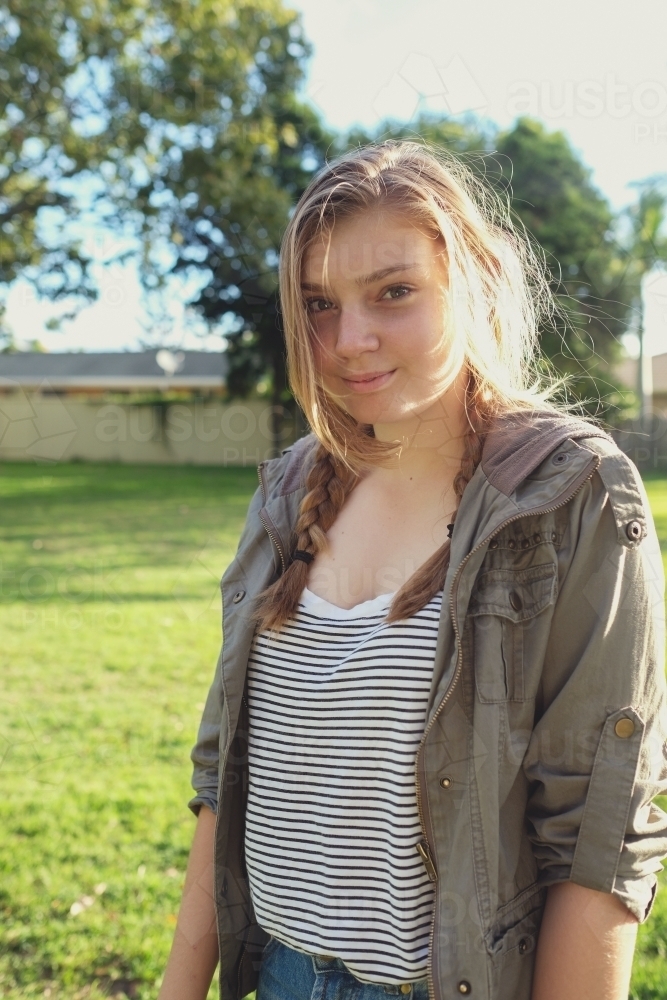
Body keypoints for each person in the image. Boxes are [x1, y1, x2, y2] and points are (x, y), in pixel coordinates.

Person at [157, 141, 667, 1000]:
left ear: (472, 283)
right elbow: (225, 776)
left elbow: (596, 831)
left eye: (393, 292)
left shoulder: (568, 493)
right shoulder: (287, 488)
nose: (349, 340)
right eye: (319, 303)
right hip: (277, 975)